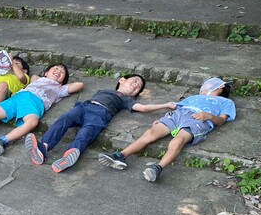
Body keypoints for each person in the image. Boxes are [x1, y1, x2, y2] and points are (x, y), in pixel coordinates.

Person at [25, 74, 176, 173]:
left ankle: (68, 156)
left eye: (139, 86)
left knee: (86, 134)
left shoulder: (126, 100)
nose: (136, 84)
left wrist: (165, 105)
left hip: (100, 114)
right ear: (122, 80)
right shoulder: (103, 90)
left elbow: (143, 108)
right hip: (83, 107)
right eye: (135, 80)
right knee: (63, 120)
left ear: (136, 94)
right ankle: (43, 147)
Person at [98, 77, 236, 182]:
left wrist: (209, 116)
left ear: (221, 87)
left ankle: (158, 168)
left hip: (199, 119)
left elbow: (221, 120)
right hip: (178, 115)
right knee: (151, 133)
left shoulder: (226, 102)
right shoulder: (194, 97)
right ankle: (120, 156)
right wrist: (162, 118)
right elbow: (177, 107)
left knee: (178, 141)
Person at [0, 63, 83, 156]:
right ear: (46, 72)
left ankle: (3, 140)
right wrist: (43, 77)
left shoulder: (60, 89)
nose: (58, 71)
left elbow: (79, 85)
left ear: (63, 80)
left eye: (62, 72)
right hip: (18, 98)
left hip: (34, 103)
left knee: (32, 122)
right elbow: (34, 77)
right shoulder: (37, 79)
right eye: (56, 68)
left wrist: (61, 84)